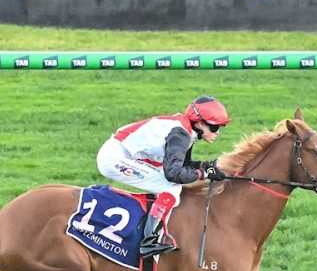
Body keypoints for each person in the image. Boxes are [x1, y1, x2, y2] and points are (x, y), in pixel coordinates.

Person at [97, 95, 230, 257]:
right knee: (171, 188)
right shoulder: (180, 134)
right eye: (215, 128)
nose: (218, 133)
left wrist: (204, 166)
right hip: (114, 158)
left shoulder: (186, 129)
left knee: (170, 185)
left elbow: (182, 164)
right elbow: (174, 174)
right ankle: (148, 241)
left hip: (123, 153)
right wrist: (203, 173)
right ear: (200, 123)